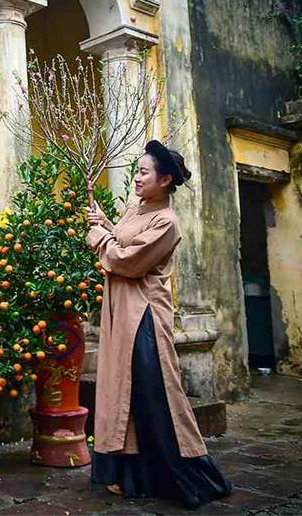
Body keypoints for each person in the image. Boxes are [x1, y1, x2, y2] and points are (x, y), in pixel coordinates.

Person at [85, 140, 232, 510]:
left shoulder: (167, 221)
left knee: (151, 392)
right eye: (136, 171)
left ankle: (175, 475)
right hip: (123, 309)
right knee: (124, 389)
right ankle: (133, 475)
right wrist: (105, 224)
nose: (136, 178)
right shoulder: (136, 207)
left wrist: (99, 240)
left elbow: (129, 262)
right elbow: (124, 240)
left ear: (165, 180)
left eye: (143, 172)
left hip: (144, 314)